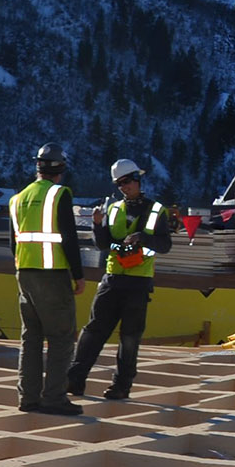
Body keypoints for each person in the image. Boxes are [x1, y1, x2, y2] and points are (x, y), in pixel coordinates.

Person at [67, 158, 172, 401]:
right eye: (119, 183)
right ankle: (75, 379)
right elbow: (103, 244)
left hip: (138, 282)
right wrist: (96, 225)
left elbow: (164, 245)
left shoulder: (156, 210)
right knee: (94, 330)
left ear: (138, 179)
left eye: (127, 181)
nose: (124, 187)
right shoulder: (113, 209)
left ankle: (121, 386)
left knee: (129, 337)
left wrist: (142, 239)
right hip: (113, 278)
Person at [9, 143, 86, 415]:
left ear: (37, 167)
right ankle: (54, 398)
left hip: (25, 274)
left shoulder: (17, 198)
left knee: (30, 338)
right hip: (52, 276)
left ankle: (27, 398)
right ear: (61, 170)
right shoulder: (59, 195)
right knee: (61, 337)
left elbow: (13, 243)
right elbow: (68, 238)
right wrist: (78, 275)